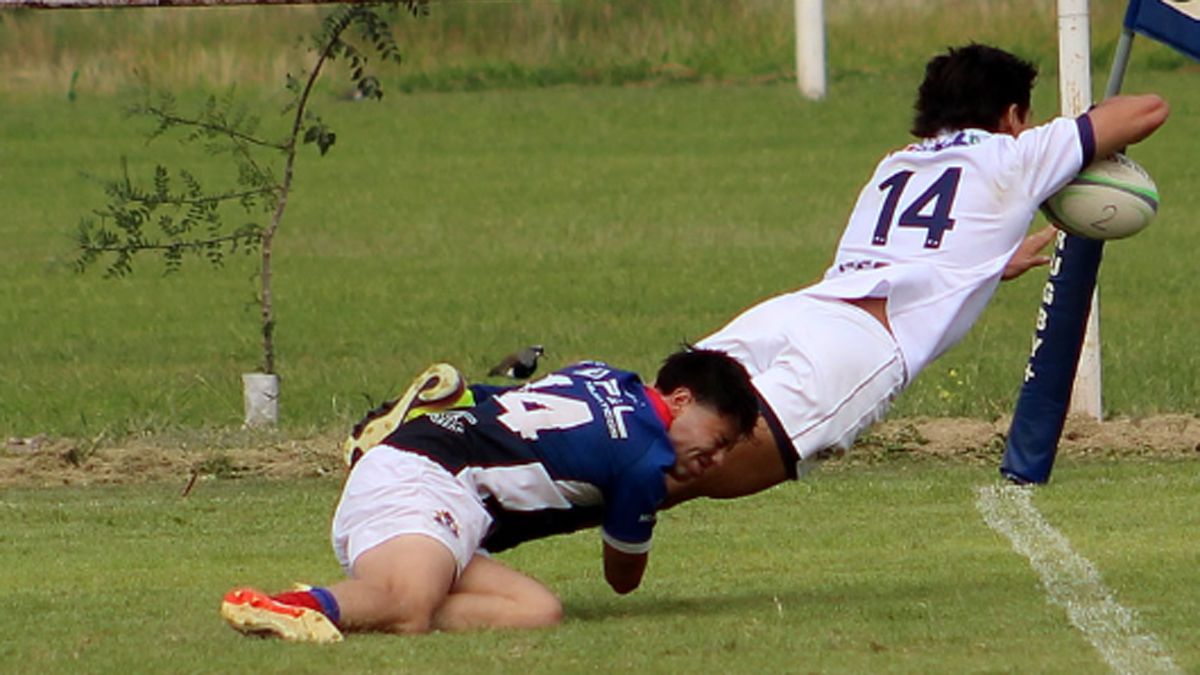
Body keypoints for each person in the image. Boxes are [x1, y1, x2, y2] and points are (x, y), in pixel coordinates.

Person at [670, 43, 1169, 502]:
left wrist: (991, 264)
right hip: (858, 346)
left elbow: (919, 248)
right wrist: (1073, 134)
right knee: (691, 476)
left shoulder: (894, 165)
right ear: (1012, 114)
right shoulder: (1017, 154)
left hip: (794, 312)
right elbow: (1148, 110)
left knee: (657, 416)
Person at [220, 348, 759, 642]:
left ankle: (375, 598)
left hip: (444, 481)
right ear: (681, 400)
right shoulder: (646, 461)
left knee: (533, 610)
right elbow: (623, 579)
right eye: (718, 441)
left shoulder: (605, 376)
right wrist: (637, 497)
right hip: (426, 476)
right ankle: (289, 606)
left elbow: (516, 404)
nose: (715, 461)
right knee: (408, 608)